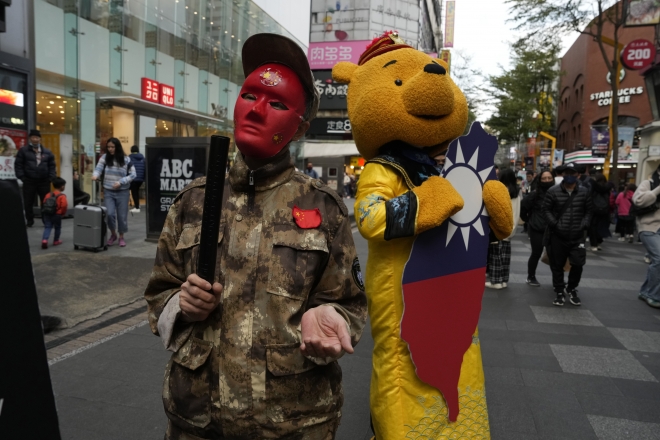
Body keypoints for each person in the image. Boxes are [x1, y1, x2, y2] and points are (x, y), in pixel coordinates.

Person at [144, 33, 367, 440]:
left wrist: (330, 317)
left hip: (293, 422)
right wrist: (181, 304)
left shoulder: (325, 210)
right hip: (198, 419)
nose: (257, 110)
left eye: (277, 103)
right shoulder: (193, 202)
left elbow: (350, 303)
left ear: (299, 128)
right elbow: (159, 293)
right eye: (250, 96)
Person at [543, 162, 593, 306]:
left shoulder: (584, 192)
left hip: (578, 236)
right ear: (562, 174)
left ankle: (571, 288)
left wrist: (584, 224)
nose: (569, 176)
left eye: (573, 173)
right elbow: (546, 210)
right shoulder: (553, 191)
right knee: (557, 265)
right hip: (558, 235)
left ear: (578, 175)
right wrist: (555, 224)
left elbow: (589, 211)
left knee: (578, 264)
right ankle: (559, 290)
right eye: (567, 173)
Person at [91, 138, 135, 247]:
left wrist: (121, 182)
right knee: (109, 214)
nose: (110, 149)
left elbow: (133, 174)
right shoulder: (104, 158)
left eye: (112, 147)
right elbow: (98, 168)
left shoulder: (126, 159)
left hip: (123, 192)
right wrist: (95, 175)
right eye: (109, 147)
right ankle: (113, 234)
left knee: (122, 216)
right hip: (108, 191)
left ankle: (121, 237)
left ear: (117, 147)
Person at [486, 168, 521, 289]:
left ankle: (496, 281)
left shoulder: (501, 190)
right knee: (505, 256)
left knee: (496, 255)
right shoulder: (517, 191)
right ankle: (504, 280)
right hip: (511, 227)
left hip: (499, 227)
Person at [14, 129, 56, 227]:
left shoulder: (47, 152)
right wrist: (22, 177)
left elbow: (52, 166)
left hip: (44, 181)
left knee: (46, 202)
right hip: (29, 180)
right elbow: (18, 165)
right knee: (28, 202)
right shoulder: (23, 151)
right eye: (33, 137)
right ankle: (29, 220)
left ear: (40, 139)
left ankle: (46, 220)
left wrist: (51, 178)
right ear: (30, 139)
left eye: (37, 137)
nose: (35, 139)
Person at [633, 165, 660, 308]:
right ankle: (654, 295)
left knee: (657, 261)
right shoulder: (648, 184)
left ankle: (645, 292)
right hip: (648, 227)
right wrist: (658, 189)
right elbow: (638, 201)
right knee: (659, 259)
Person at [521, 169, 554, 287]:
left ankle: (557, 280)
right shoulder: (535, 194)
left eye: (549, 178)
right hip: (537, 228)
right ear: (539, 180)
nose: (547, 180)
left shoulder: (557, 192)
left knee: (554, 254)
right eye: (544, 178)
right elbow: (523, 207)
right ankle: (531, 276)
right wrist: (529, 220)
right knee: (536, 253)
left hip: (553, 229)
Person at [40, 177, 68, 249]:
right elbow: (64, 205)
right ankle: (56, 241)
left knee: (48, 227)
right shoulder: (62, 196)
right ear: (62, 187)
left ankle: (45, 240)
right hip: (57, 214)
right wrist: (62, 213)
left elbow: (44, 202)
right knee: (57, 227)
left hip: (47, 213)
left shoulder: (48, 194)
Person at [589, 173, 613, 251]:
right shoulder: (608, 187)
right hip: (605, 210)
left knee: (593, 226)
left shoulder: (593, 186)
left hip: (594, 209)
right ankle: (599, 242)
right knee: (602, 226)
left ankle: (593, 244)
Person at [128, 145, 145, 213]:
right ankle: (137, 204)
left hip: (133, 178)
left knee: (134, 192)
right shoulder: (142, 157)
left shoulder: (130, 157)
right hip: (140, 178)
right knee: (136, 191)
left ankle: (137, 207)